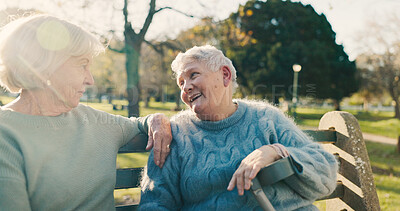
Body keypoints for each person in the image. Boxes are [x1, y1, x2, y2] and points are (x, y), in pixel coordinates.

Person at [0, 14, 172, 210]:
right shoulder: (5, 133)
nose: (90, 80)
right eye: (83, 65)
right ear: (46, 66)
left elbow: (140, 123)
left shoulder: (94, 120)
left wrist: (157, 119)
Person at [139, 45, 338, 210]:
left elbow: (326, 172)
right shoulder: (175, 134)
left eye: (193, 75)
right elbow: (154, 203)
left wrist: (275, 151)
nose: (186, 87)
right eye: (181, 83)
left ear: (225, 75)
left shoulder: (265, 118)